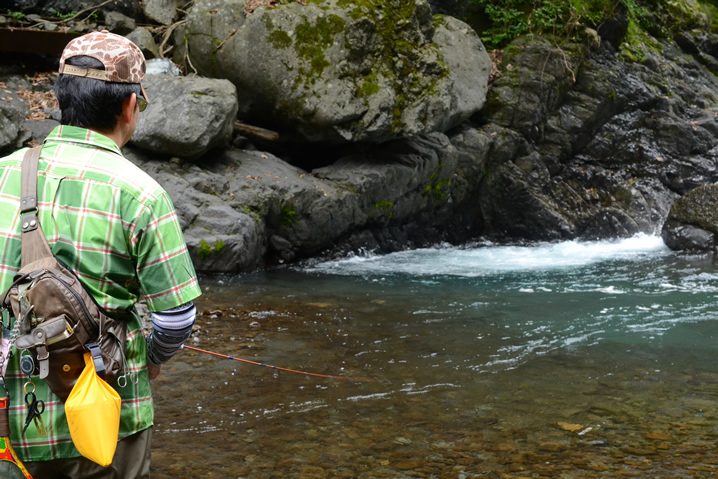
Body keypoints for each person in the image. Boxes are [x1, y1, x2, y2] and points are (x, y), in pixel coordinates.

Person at [0, 31, 202, 478]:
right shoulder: (141, 195)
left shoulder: (2, 174)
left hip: (8, 422)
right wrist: (152, 360)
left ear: (61, 97)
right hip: (104, 424)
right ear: (129, 105)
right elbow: (175, 318)